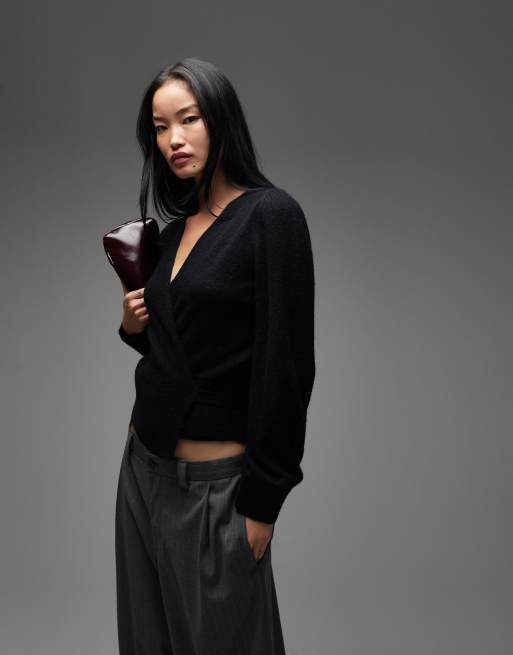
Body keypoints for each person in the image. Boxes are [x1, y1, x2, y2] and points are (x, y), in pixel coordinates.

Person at [114, 57, 316, 655]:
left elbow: (287, 365)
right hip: (141, 473)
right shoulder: (172, 234)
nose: (173, 139)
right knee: (146, 644)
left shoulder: (271, 216)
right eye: (159, 127)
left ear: (221, 118)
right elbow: (186, 352)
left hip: (215, 490)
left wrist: (264, 498)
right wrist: (132, 327)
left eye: (189, 119)